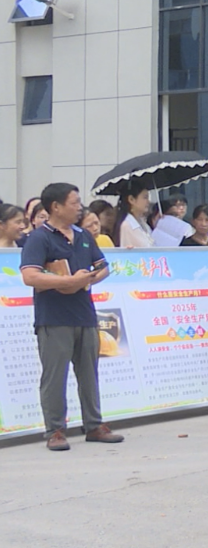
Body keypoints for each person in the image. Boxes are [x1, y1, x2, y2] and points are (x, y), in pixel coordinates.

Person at [20, 182, 120, 449]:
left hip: (84, 315)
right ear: (56, 206)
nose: (79, 208)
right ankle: (55, 430)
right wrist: (67, 282)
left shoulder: (83, 235)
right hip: (53, 317)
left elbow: (103, 267)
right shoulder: (39, 238)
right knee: (55, 376)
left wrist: (88, 279)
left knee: (89, 373)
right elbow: (30, 275)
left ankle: (94, 425)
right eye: (74, 203)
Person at [114, 183, 155, 248]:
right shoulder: (127, 225)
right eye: (145, 197)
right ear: (131, 199)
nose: (148, 201)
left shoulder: (143, 223)